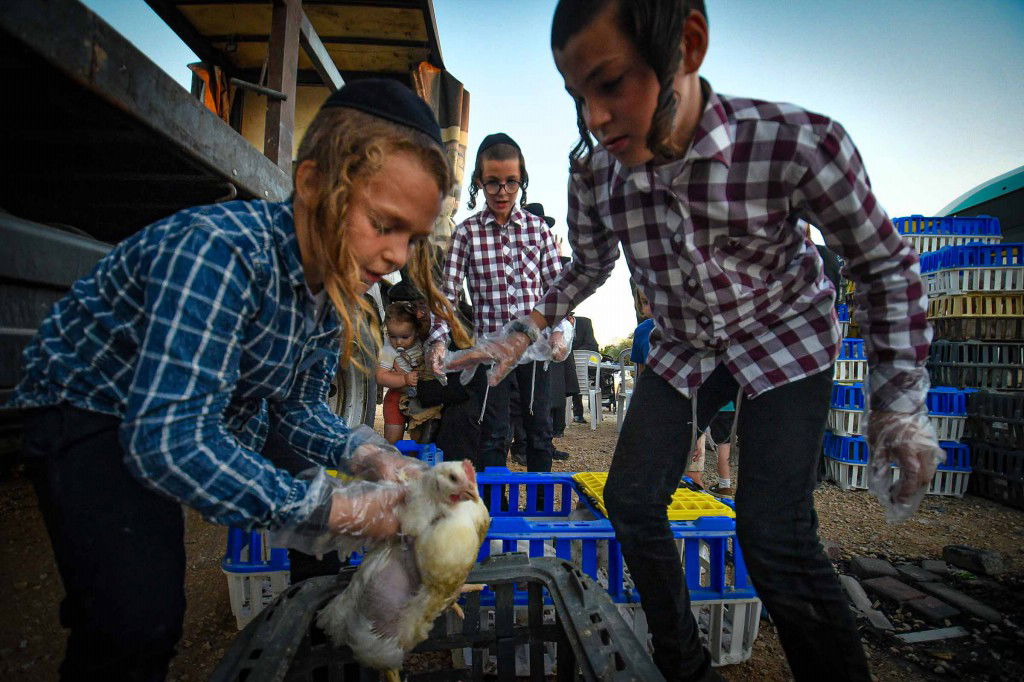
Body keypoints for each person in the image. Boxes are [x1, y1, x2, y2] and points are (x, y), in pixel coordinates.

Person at [449, 3, 942, 680]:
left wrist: (898, 406)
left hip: (786, 337)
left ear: (688, 44)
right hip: (684, 342)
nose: (595, 117)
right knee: (630, 500)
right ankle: (685, 665)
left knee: (774, 534)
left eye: (611, 83)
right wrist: (523, 330)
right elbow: (589, 265)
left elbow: (884, 267)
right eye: (578, 96)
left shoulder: (792, 142)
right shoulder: (595, 172)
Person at [6, 79, 471, 680]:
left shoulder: (333, 292)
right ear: (311, 184)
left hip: (199, 408)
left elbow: (296, 408)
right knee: (135, 616)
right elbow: (170, 439)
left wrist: (373, 457)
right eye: (384, 224)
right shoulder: (220, 253)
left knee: (321, 500)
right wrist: (336, 510)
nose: (398, 257)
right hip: (94, 403)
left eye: (411, 238)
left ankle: (317, 630)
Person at [426, 134, 569, 474]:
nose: (502, 192)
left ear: (521, 181)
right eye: (493, 183)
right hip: (490, 352)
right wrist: (438, 341)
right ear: (479, 181)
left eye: (511, 182)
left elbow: (558, 290)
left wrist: (560, 331)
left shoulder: (538, 231)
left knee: (539, 433)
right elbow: (447, 295)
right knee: (492, 434)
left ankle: (539, 503)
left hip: (535, 350)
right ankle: (493, 502)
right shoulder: (467, 233)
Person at [377, 300, 429, 443]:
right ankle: (393, 449)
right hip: (397, 394)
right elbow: (380, 376)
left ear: (416, 332)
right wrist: (404, 379)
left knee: (420, 437)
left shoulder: (422, 342)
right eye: (393, 336)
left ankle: (414, 452)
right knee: (392, 437)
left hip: (421, 396)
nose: (398, 342)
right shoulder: (389, 349)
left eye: (405, 337)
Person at [571, 313, 599, 423]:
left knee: (596, 377)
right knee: (575, 378)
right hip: (571, 366)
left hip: (588, 363)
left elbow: (593, 345)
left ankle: (595, 412)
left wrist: (576, 353)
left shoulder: (584, 322)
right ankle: (578, 414)